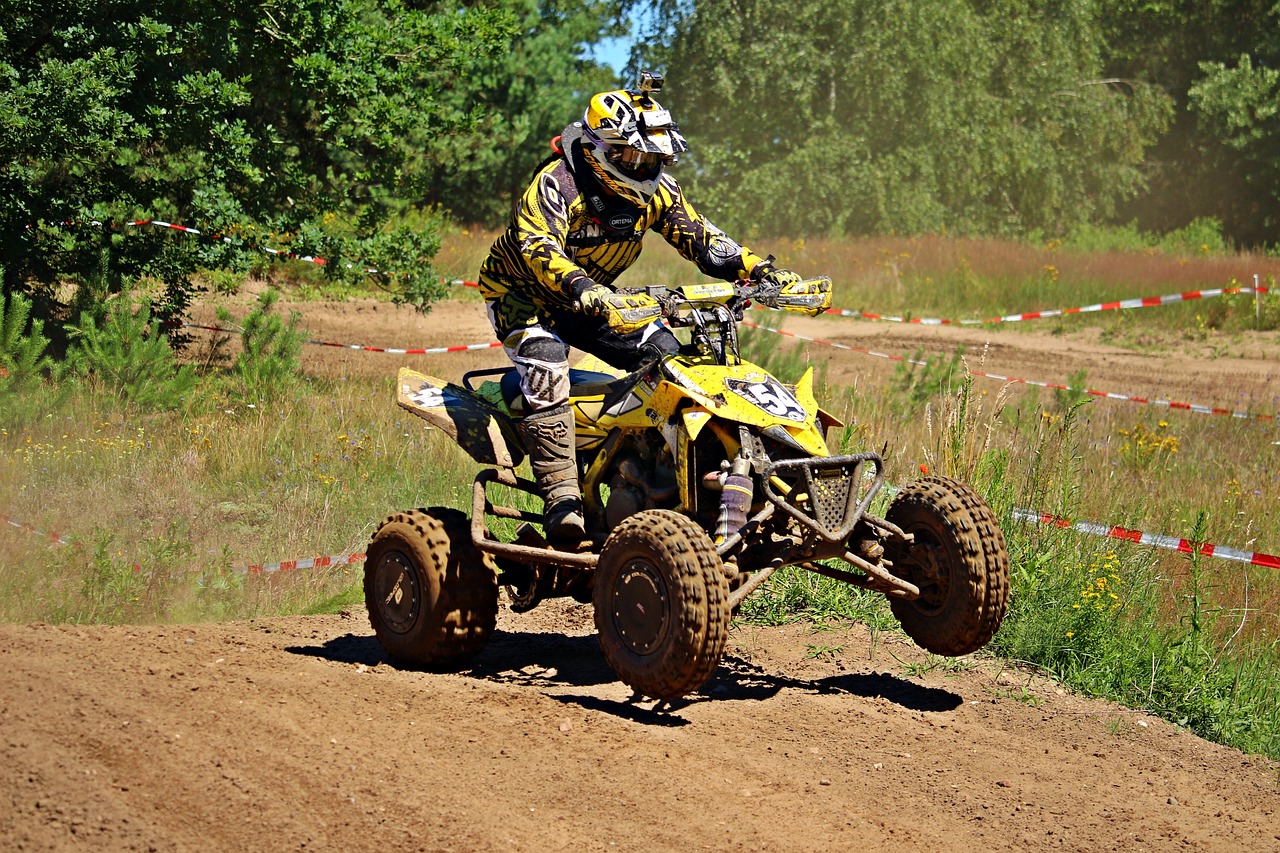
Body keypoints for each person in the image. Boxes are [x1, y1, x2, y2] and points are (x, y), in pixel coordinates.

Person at [477, 72, 829, 542]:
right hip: (524, 298)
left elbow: (705, 241)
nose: (645, 166)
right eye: (635, 155)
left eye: (655, 156)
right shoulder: (558, 183)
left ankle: (663, 479)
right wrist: (587, 290)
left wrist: (761, 273)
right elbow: (538, 248)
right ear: (602, 148)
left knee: (671, 360)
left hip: (594, 298)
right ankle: (563, 498)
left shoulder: (658, 191)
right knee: (545, 364)